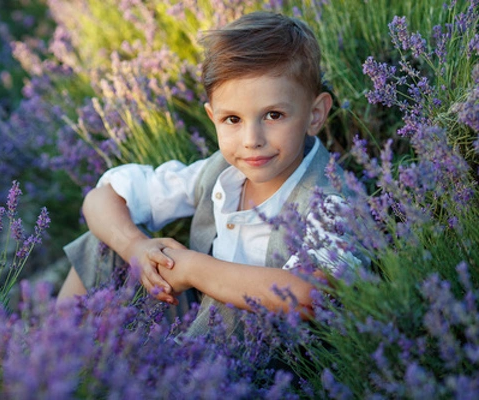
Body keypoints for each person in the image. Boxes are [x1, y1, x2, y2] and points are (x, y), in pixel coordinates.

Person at [57, 11, 364, 337]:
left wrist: (195, 269)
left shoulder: (325, 198)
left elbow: (312, 296)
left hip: (258, 363)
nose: (251, 140)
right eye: (232, 119)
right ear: (212, 117)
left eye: (273, 115)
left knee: (235, 301)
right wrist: (135, 248)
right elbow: (100, 198)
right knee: (101, 243)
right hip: (195, 325)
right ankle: (47, 353)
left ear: (315, 114)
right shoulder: (220, 171)